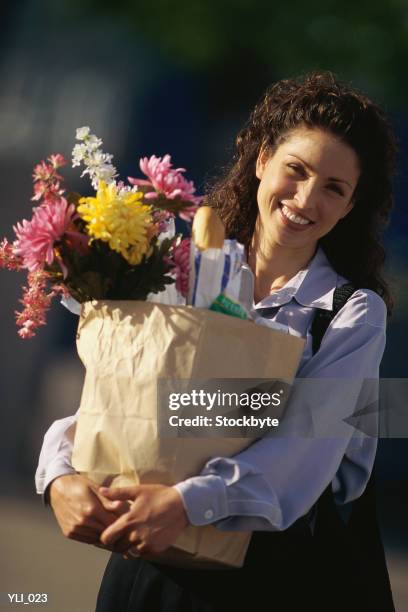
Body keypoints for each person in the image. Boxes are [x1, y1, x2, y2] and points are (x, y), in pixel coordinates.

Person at [35, 71, 397, 611]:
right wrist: (59, 474)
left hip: (275, 577)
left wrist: (186, 502)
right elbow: (120, 396)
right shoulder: (176, 272)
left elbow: (305, 450)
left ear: (349, 207)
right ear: (261, 161)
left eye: (334, 189)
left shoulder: (354, 315)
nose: (304, 198)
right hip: (148, 562)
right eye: (295, 171)